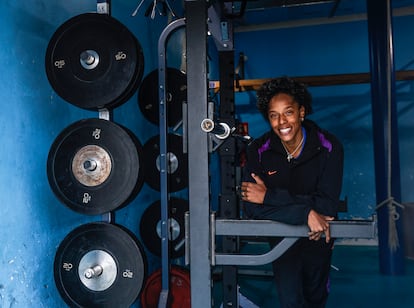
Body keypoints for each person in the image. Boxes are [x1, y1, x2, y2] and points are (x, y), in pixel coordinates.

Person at [240, 76, 344, 307]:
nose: (281, 122)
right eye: (273, 115)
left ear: (301, 112)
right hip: (281, 237)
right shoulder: (258, 150)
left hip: (318, 236)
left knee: (315, 298)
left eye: (288, 112)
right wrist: (306, 211)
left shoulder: (329, 146)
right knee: (290, 301)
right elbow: (251, 207)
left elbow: (326, 206)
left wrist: (268, 197)